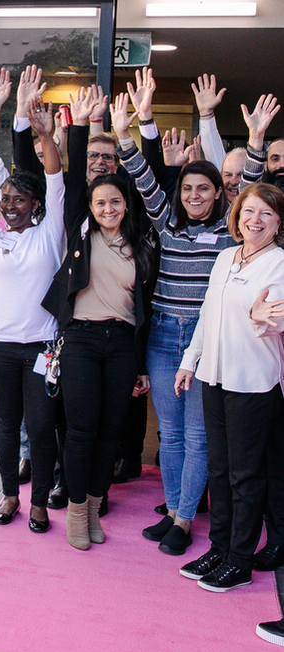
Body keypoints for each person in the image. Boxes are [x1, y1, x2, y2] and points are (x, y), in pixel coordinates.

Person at [117, 86, 273, 557]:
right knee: (169, 433)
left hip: (204, 344)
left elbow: (248, 185)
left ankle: (184, 520)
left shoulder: (229, 234)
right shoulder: (166, 224)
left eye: (203, 188)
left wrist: (257, 141)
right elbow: (143, 177)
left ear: (217, 195)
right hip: (164, 336)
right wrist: (127, 132)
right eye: (187, 188)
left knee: (197, 435)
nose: (194, 195)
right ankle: (173, 509)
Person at [43, 92, 158, 550]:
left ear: (125, 204)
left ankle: (94, 505)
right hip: (83, 340)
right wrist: (85, 124)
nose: (107, 208)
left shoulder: (140, 240)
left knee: (111, 432)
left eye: (114, 202)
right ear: (89, 208)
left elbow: (151, 179)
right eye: (99, 203)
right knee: (82, 429)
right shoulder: (80, 228)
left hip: (122, 343)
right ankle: (75, 512)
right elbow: (74, 172)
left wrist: (139, 127)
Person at [175, 183, 284, 592]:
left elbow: (278, 317)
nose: (255, 221)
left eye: (266, 215)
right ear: (236, 215)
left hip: (253, 384)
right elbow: (207, 313)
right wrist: (190, 361)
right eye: (249, 212)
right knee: (219, 472)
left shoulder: (279, 264)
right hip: (213, 378)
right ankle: (219, 548)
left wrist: (262, 316)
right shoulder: (225, 257)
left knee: (245, 476)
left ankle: (240, 560)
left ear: (278, 224)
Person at [0, 100, 64, 533]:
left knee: (42, 428)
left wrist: (45, 136)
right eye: (6, 198)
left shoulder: (50, 234)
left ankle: (39, 502)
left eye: (18, 199)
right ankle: (10, 495)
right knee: (6, 424)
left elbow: (58, 183)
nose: (8, 205)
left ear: (35, 204)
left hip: (43, 345)